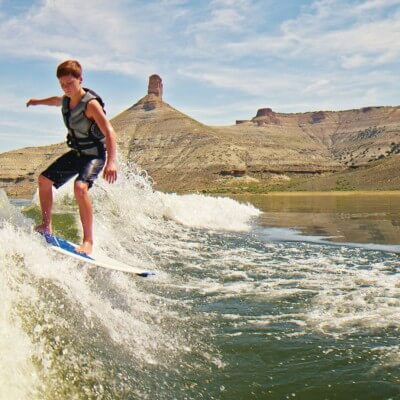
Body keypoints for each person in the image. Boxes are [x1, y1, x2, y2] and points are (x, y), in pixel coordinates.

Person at [26, 59, 117, 255]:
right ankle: (46, 225)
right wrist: (36, 102)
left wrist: (112, 162)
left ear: (80, 80)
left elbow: (110, 132)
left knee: (80, 187)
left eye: (70, 83)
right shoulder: (66, 100)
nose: (66, 88)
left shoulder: (91, 105)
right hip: (77, 153)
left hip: (94, 154)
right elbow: (55, 100)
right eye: (63, 85)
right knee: (44, 180)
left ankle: (88, 241)